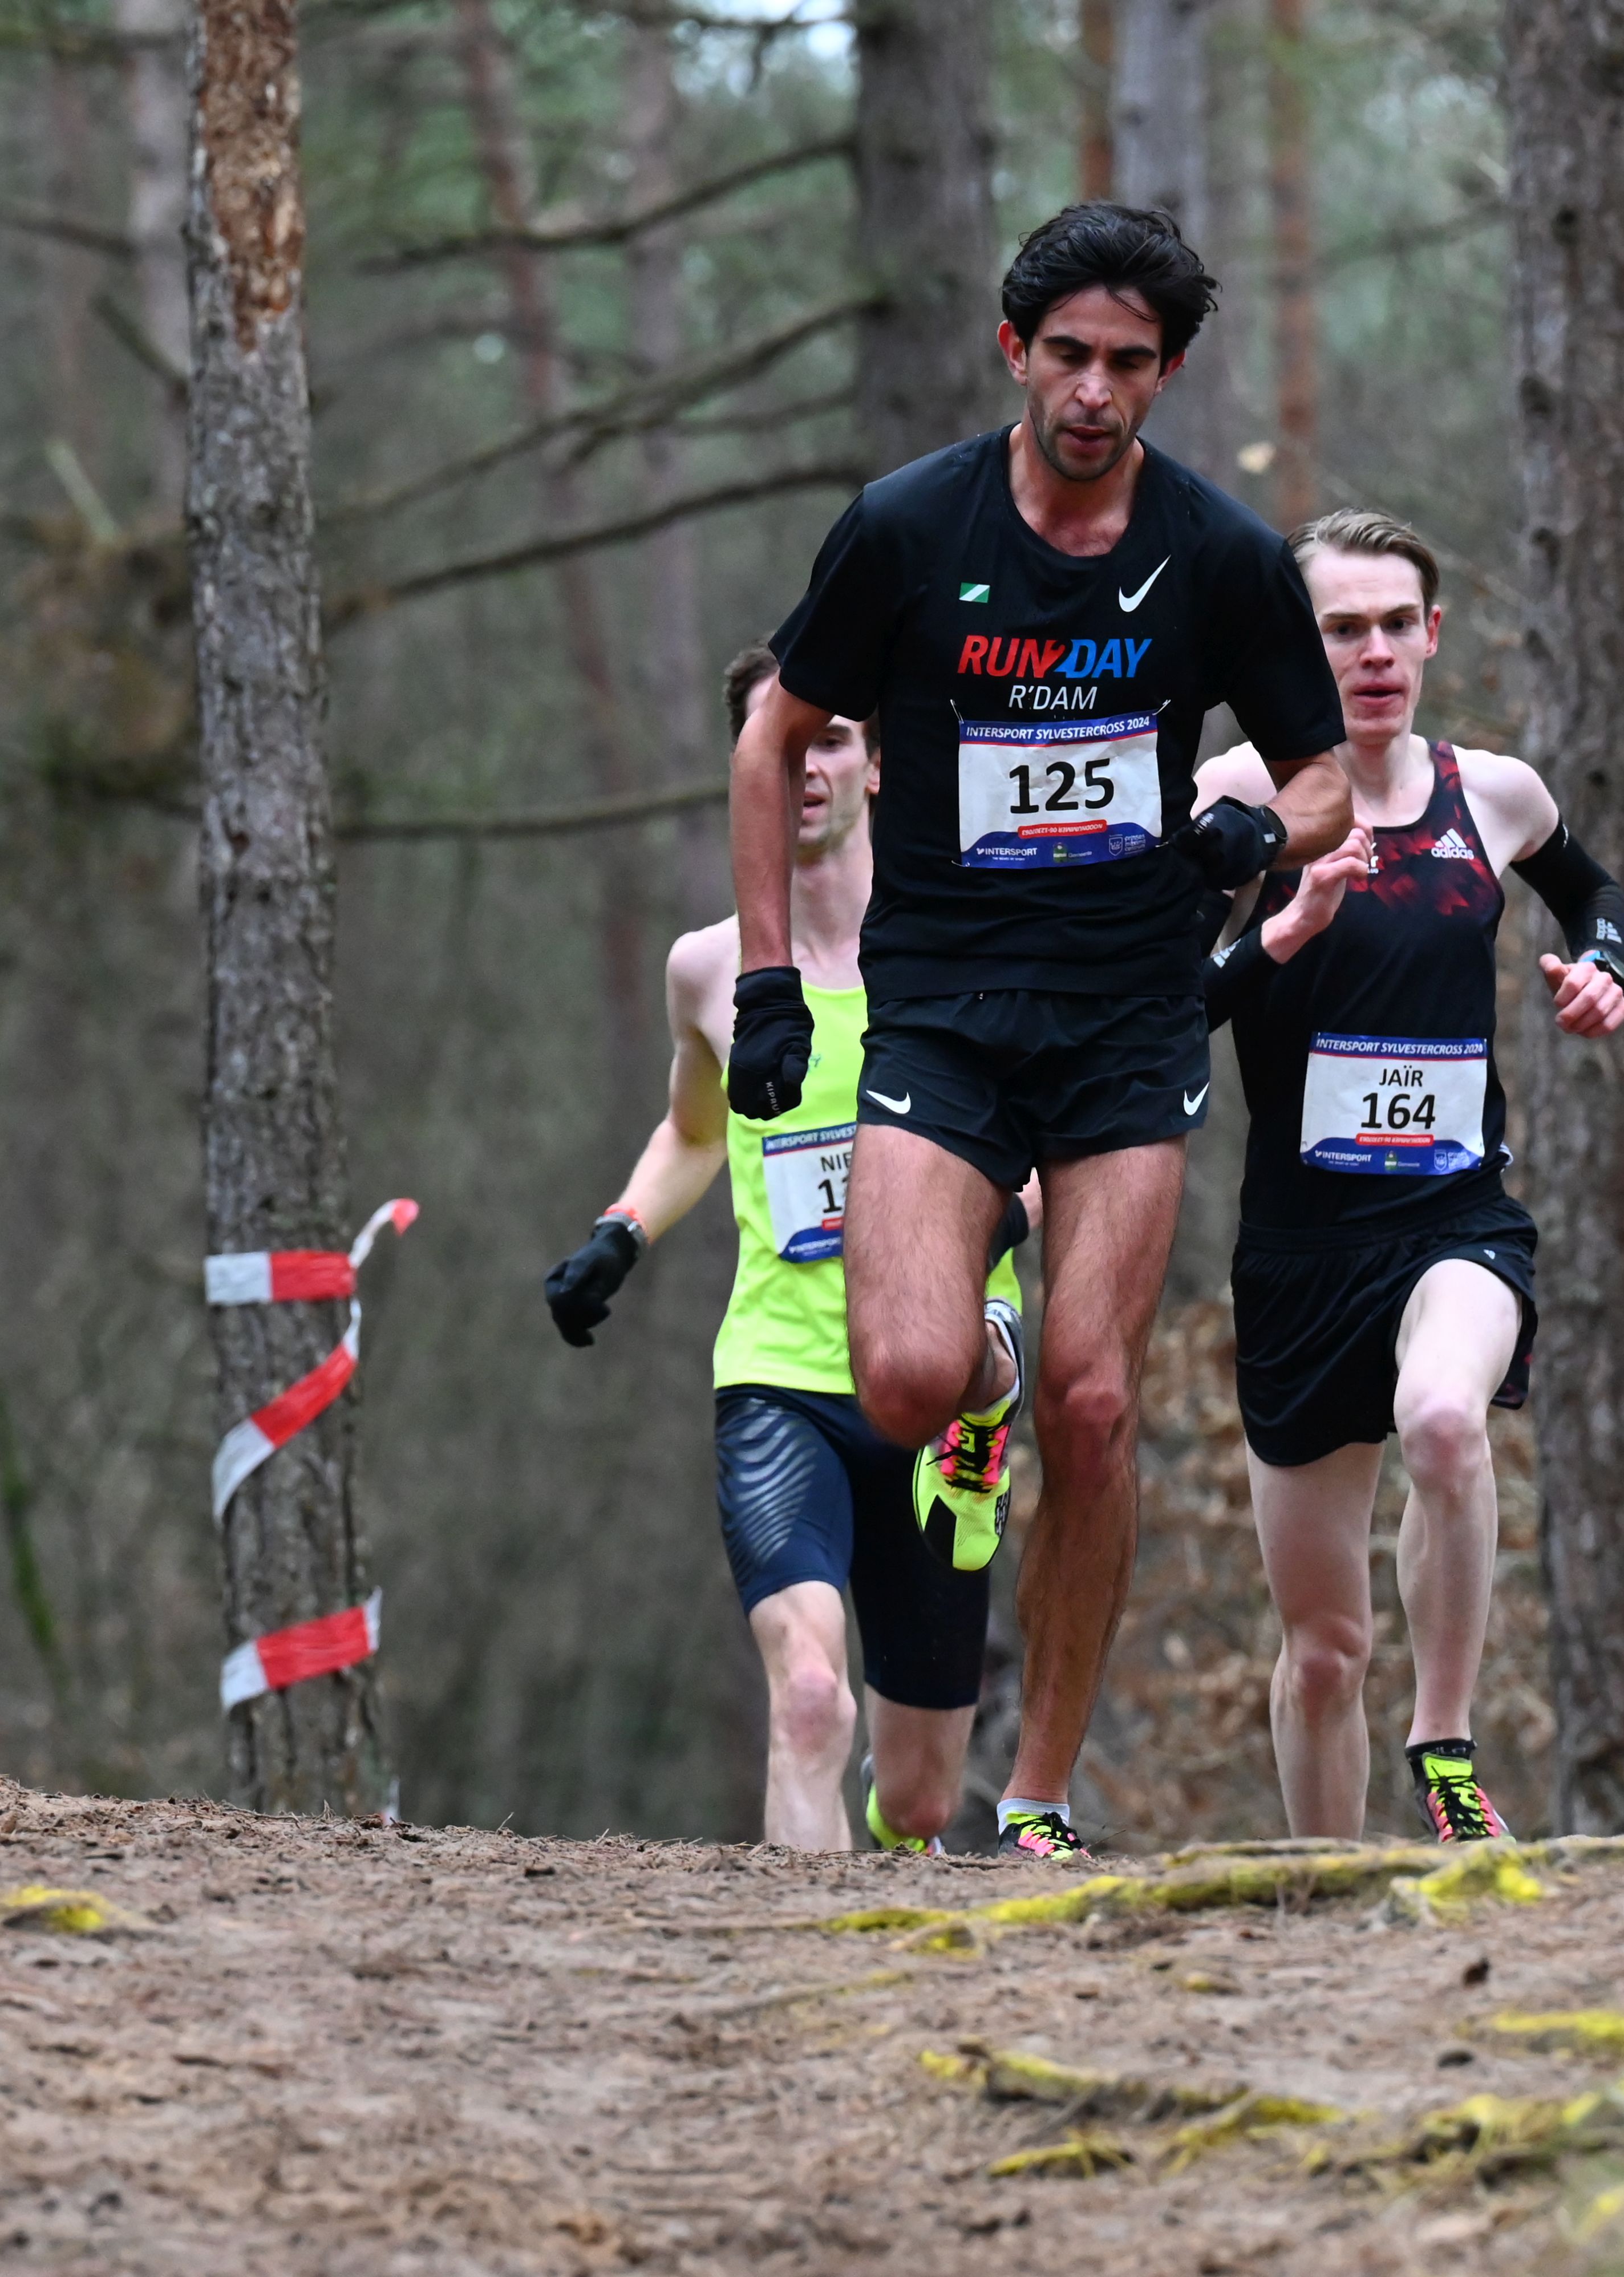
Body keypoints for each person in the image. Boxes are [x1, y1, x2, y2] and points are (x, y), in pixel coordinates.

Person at [724, 204, 1352, 1862]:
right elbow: (775, 732)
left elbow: (1326, 779)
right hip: (942, 1003)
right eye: (1067, 355)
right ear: (1015, 352)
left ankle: (1041, 1800)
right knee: (904, 1381)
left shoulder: (1218, 555)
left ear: (1168, 373)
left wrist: (1258, 832)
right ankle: (979, 1369)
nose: (1093, 390)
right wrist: (772, 980)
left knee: (1096, 1405)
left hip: (1128, 1015)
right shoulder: (907, 527)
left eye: (1128, 363)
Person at [1191, 509, 1624, 1843]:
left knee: (1445, 1418)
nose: (1375, 653)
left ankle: (1444, 1748)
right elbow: (1162, 1009)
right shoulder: (1236, 801)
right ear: (1296, 645)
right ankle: (1326, 1893)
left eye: (1397, 625)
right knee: (1326, 1654)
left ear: (1433, 636)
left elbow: (1594, 894)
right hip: (1298, 1258)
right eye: (1342, 629)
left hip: (1455, 1223)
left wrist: (1602, 970)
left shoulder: (1493, 795)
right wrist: (1280, 932)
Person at [542, 648, 1027, 1854]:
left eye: (834, 740)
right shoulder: (709, 971)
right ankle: (806, 1953)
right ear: (745, 765)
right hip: (780, 1380)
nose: (807, 767)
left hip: (942, 1371)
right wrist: (620, 1233)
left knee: (919, 1799)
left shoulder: (965, 950)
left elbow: (1054, 1141)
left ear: (877, 763)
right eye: (782, 743)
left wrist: (980, 1221)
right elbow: (693, 1131)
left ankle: (978, 1420)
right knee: (808, 1696)